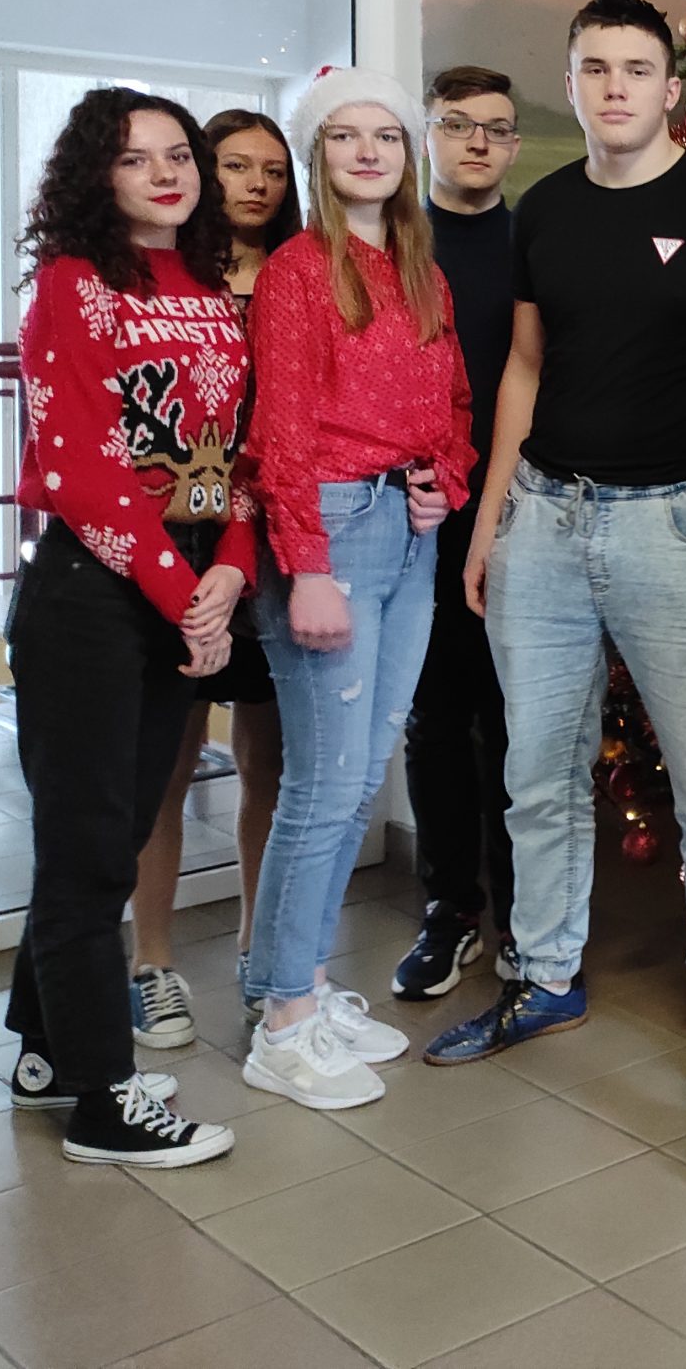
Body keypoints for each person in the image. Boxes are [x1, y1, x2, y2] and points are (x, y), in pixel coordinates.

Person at [427, 0, 686, 1066]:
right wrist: (492, 519)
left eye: (636, 68)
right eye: (595, 69)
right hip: (545, 519)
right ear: (570, 86)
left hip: (679, 525)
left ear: (672, 88)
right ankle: (545, 975)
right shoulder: (545, 209)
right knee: (537, 774)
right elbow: (524, 368)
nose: (616, 87)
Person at [5, 86, 247, 1167]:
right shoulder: (74, 284)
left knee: (110, 834)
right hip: (92, 592)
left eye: (179, 154)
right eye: (135, 157)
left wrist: (230, 572)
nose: (165, 172)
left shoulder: (210, 287)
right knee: (89, 848)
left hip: (186, 582)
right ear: (95, 176)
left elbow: (238, 455)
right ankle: (105, 1099)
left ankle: (46, 1051)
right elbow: (82, 469)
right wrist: (181, 593)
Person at [241, 68, 473, 1109]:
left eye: (386, 134)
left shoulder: (423, 272)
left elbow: (455, 403)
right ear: (317, 153)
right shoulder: (299, 270)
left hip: (407, 531)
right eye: (346, 136)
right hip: (329, 529)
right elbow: (281, 429)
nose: (369, 151)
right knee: (325, 785)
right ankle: (282, 1019)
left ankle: (300, 982)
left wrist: (444, 481)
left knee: (363, 770)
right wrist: (306, 567)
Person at [129, 108, 295, 1049]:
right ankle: (151, 962)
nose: (256, 184)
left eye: (273, 169)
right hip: (181, 545)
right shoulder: (167, 277)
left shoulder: (302, 274)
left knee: (269, 767)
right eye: (236, 165)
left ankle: (256, 952)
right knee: (167, 761)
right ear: (203, 172)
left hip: (276, 544)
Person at [392, 66, 525, 998]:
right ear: (428, 137)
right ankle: (451, 909)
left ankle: (524, 914)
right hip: (416, 521)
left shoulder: (536, 244)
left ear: (513, 144)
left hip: (522, 516)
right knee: (436, 721)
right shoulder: (394, 244)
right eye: (457, 124)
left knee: (520, 725)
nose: (478, 142)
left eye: (497, 128)